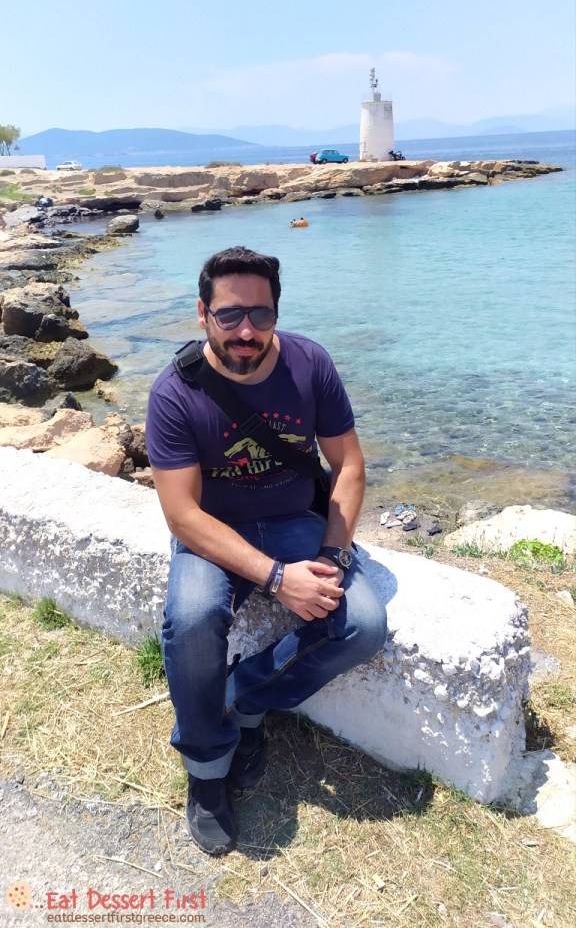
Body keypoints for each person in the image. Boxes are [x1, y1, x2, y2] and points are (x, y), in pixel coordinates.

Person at [146, 246, 388, 855]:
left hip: (294, 521)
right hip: (213, 529)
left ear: (277, 313)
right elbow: (181, 514)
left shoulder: (310, 364)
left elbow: (349, 466)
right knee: (192, 619)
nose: (246, 331)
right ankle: (207, 769)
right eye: (229, 315)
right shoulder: (174, 392)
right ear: (203, 313)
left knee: (362, 624)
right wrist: (278, 579)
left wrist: (333, 557)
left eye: (260, 314)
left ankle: (241, 697)